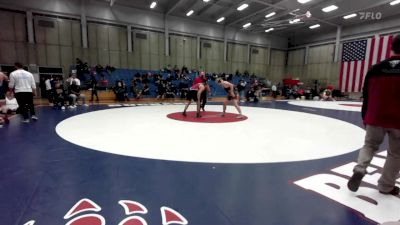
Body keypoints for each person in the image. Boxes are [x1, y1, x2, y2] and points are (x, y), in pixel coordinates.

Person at [347, 35, 400, 196]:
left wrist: (365, 117)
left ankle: (360, 169)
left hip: (375, 117)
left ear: (391, 46)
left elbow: (366, 95)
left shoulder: (374, 69)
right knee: (395, 154)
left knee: (369, 146)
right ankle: (386, 186)